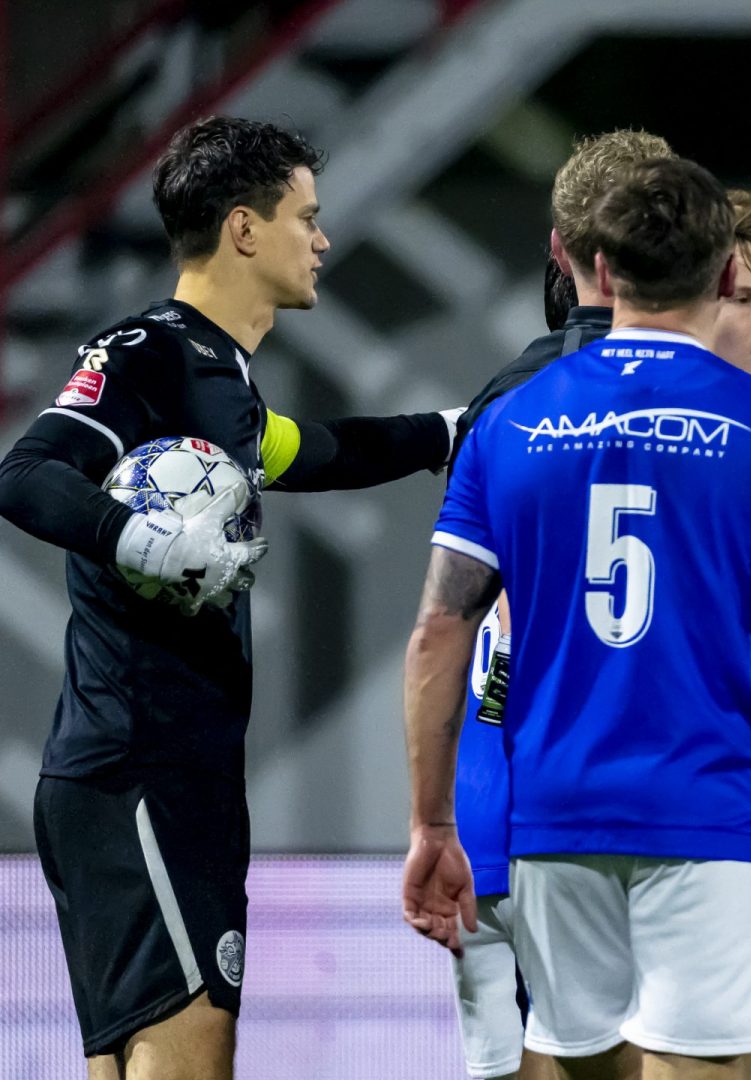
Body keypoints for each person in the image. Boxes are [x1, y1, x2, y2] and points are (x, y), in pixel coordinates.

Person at [403, 156, 751, 1080]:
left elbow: (437, 632)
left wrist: (432, 826)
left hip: (553, 823)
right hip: (707, 818)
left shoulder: (508, 424)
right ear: (727, 275)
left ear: (604, 272)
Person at [0, 116, 461, 1080]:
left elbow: (318, 452)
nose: (322, 239)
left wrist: (451, 430)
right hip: (140, 769)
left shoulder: (222, 385)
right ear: (244, 229)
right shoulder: (148, 351)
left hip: (161, 771)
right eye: (307, 217)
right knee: (192, 1048)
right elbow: (28, 471)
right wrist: (139, 534)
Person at [446, 126, 678, 1080]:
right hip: (653, 802)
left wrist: (430, 822)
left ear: (560, 251)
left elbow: (453, 621)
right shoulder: (720, 408)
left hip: (497, 791)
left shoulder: (505, 404)